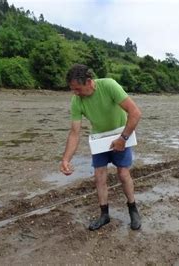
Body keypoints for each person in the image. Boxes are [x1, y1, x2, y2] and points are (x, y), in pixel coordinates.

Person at [60, 64, 142, 231]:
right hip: (99, 140)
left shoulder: (109, 85)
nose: (75, 93)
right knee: (99, 176)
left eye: (78, 89)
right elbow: (75, 133)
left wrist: (123, 138)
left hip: (121, 134)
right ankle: (104, 215)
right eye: (72, 89)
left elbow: (135, 113)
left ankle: (133, 209)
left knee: (123, 173)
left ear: (89, 82)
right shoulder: (76, 101)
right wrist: (66, 159)